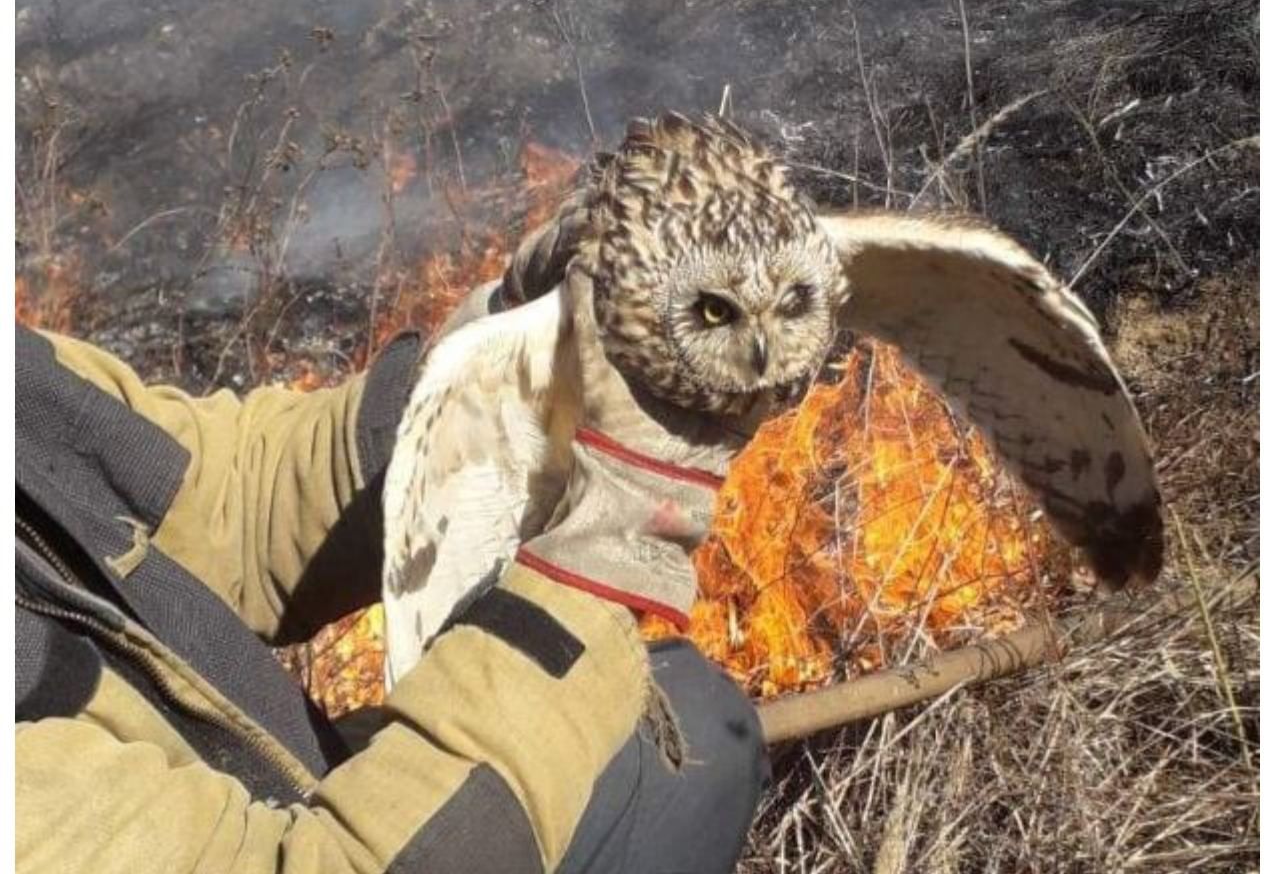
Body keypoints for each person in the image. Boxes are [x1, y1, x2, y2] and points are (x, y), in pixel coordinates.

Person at [14, 277, 769, 873]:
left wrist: (500, 367)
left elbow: (230, 499)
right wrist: (596, 562)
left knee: (676, 704)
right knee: (698, 754)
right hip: (319, 849)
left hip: (273, 780)